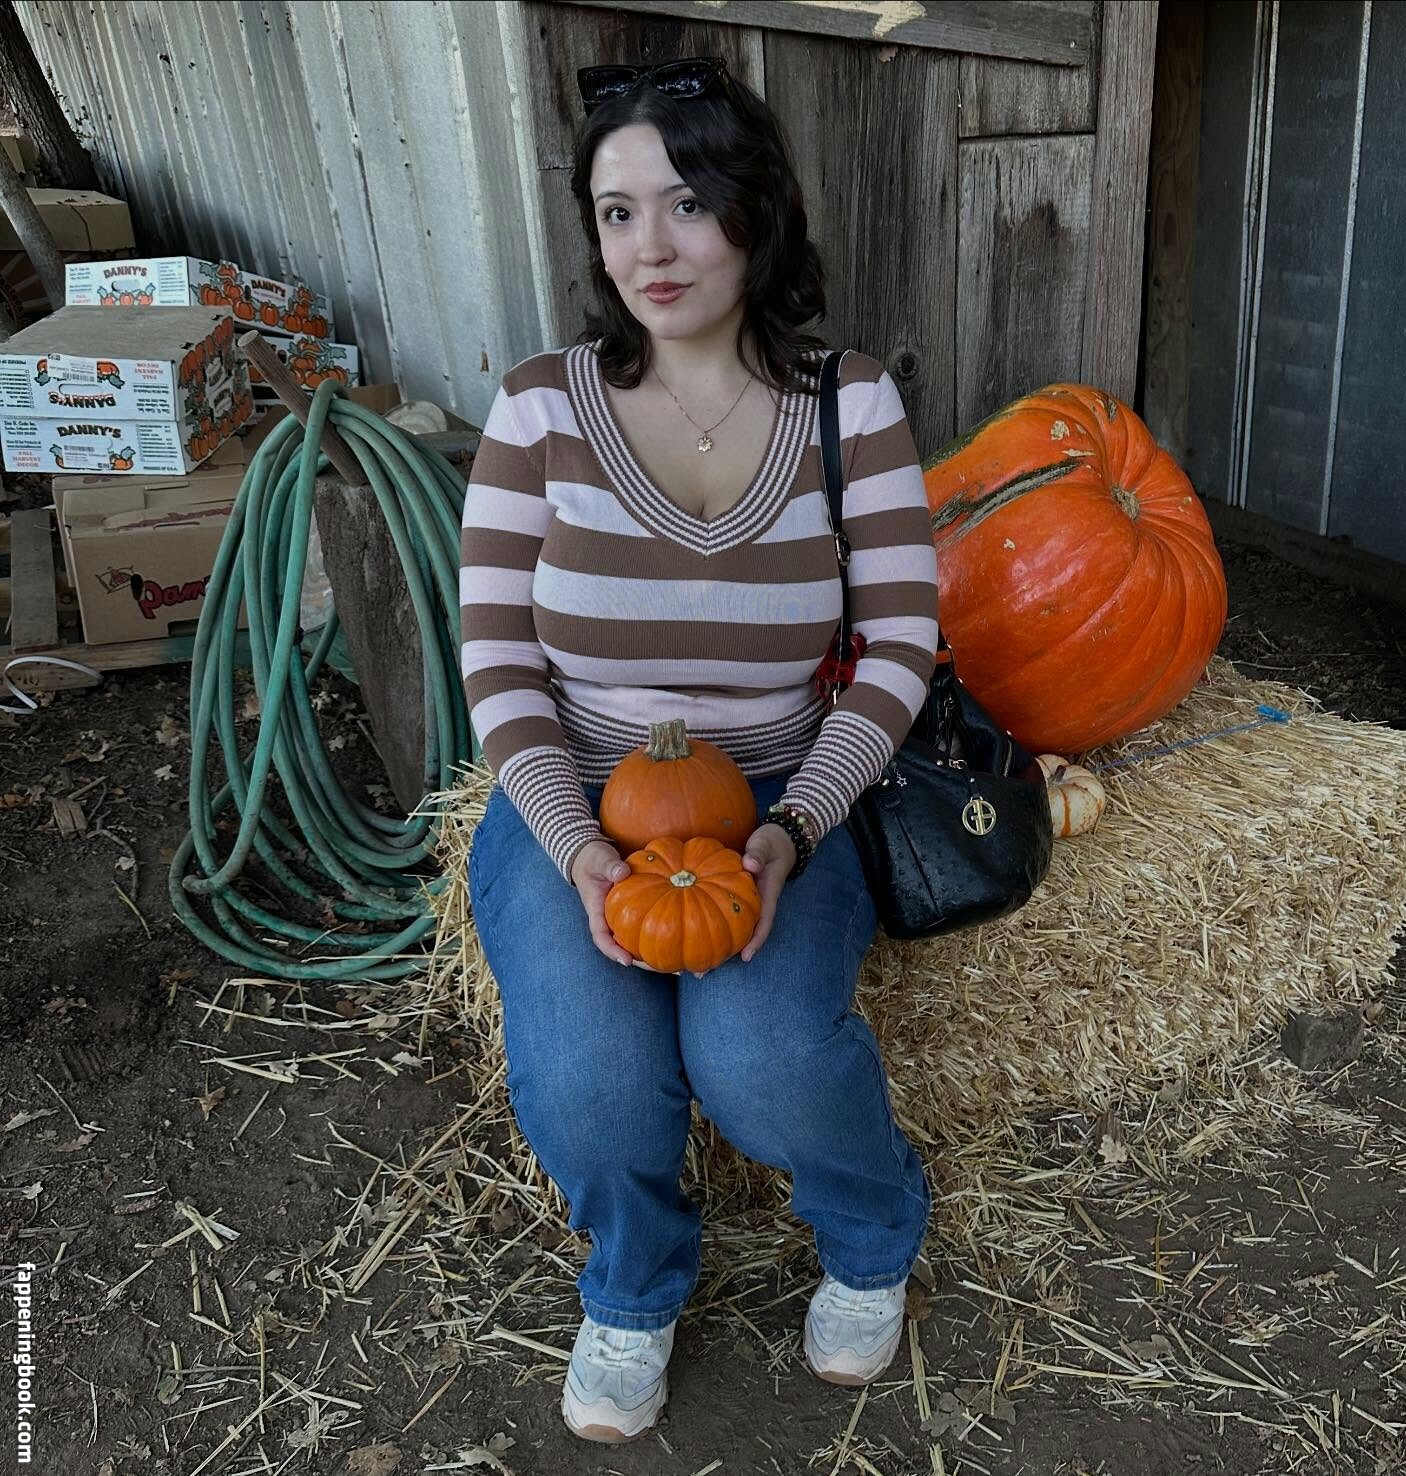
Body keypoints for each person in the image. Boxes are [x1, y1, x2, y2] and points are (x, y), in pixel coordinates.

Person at [461, 55, 939, 1444]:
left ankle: (872, 1230)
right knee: (590, 1077)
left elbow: (901, 646)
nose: (651, 250)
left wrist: (796, 825)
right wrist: (576, 847)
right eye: (618, 214)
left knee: (763, 1057)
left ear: (754, 210)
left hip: (781, 794)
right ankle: (635, 1283)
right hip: (577, 798)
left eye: (685, 203)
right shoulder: (539, 407)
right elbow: (497, 659)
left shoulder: (849, 407)